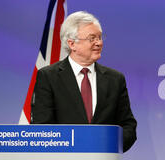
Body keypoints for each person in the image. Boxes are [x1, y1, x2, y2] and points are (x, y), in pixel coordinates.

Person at [31, 11, 137, 152]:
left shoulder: (115, 79)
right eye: (92, 38)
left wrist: (110, 146)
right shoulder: (48, 77)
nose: (99, 43)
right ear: (72, 44)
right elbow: (42, 127)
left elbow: (128, 125)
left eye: (100, 37)